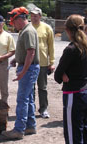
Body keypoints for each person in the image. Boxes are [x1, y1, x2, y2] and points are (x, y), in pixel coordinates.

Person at [2, 7, 40, 139]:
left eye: (13, 21)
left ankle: (19, 130)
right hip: (29, 68)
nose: (13, 24)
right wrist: (16, 60)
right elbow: (26, 52)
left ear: (20, 18)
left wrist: (23, 72)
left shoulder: (28, 31)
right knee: (28, 99)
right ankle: (30, 126)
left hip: (28, 69)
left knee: (22, 99)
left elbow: (31, 52)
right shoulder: (25, 30)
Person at [54, 14, 87, 144]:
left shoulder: (71, 49)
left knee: (73, 132)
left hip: (73, 94)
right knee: (84, 130)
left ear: (67, 30)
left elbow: (57, 75)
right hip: (85, 91)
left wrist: (63, 74)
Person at [30, 7, 55, 118]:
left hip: (43, 63)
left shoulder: (47, 28)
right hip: (29, 63)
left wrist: (52, 62)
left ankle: (43, 109)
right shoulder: (27, 27)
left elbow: (51, 46)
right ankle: (31, 109)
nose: (33, 17)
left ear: (40, 16)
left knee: (42, 88)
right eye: (32, 15)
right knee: (30, 88)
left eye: (35, 15)